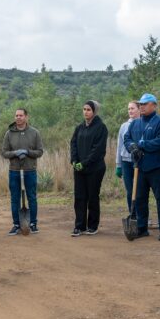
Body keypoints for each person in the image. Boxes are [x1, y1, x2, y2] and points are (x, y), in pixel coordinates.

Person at [124, 93, 160, 240]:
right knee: (140, 199)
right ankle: (142, 228)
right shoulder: (135, 123)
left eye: (145, 104)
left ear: (154, 105)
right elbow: (127, 138)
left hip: (157, 168)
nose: (142, 106)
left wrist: (142, 145)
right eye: (141, 104)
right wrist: (132, 148)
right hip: (140, 168)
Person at [2, 108, 44, 235]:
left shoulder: (34, 132)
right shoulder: (9, 133)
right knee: (15, 198)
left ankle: (33, 223)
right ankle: (16, 224)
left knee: (32, 197)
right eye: (16, 115)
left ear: (26, 117)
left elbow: (40, 151)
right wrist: (15, 153)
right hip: (14, 170)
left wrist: (28, 152)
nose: (18, 118)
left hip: (29, 170)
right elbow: (4, 152)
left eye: (21, 115)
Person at [70, 100, 108, 236]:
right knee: (80, 197)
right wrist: (74, 160)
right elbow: (73, 144)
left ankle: (93, 226)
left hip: (95, 168)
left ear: (94, 111)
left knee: (92, 196)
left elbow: (97, 150)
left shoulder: (101, 128)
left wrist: (84, 163)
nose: (85, 112)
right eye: (84, 109)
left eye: (88, 110)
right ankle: (79, 226)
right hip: (79, 169)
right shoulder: (79, 128)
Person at [116, 101, 141, 216]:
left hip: (139, 162)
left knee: (140, 190)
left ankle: (142, 215)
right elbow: (119, 145)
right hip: (126, 161)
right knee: (130, 190)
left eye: (132, 108)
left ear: (139, 109)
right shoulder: (124, 126)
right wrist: (118, 165)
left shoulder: (143, 124)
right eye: (129, 109)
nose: (130, 111)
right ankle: (132, 214)